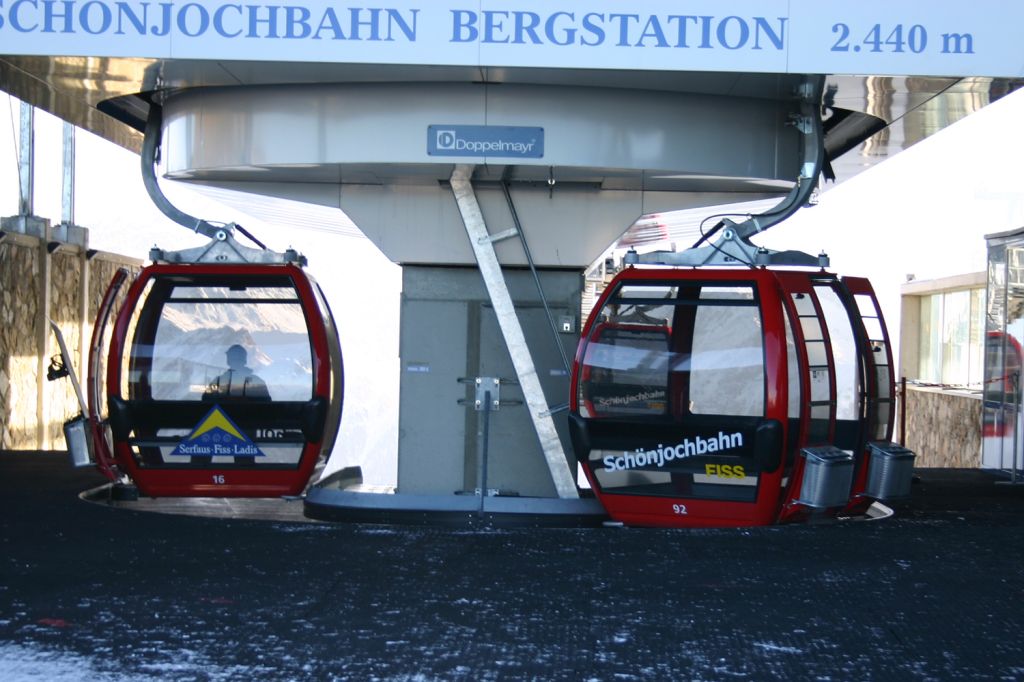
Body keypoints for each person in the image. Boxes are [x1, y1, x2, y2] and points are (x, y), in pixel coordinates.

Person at [203, 344, 271, 401]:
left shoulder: (219, 381)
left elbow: (206, 399)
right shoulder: (257, 382)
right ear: (244, 359)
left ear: (228, 360)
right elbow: (267, 405)